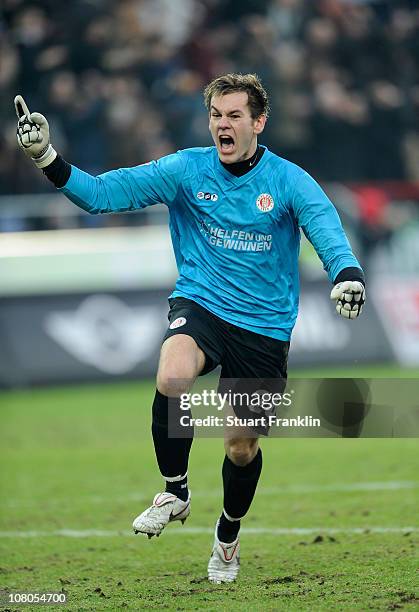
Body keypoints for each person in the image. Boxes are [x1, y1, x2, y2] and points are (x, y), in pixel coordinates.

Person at [14, 73, 365, 584]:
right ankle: (175, 492)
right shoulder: (185, 168)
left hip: (264, 326)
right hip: (201, 302)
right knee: (172, 373)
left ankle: (227, 535)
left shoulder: (289, 180)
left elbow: (326, 226)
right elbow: (103, 194)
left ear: (259, 122)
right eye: (216, 116)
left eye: (235, 116)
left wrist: (346, 273)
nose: (223, 126)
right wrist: (47, 156)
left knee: (241, 447)